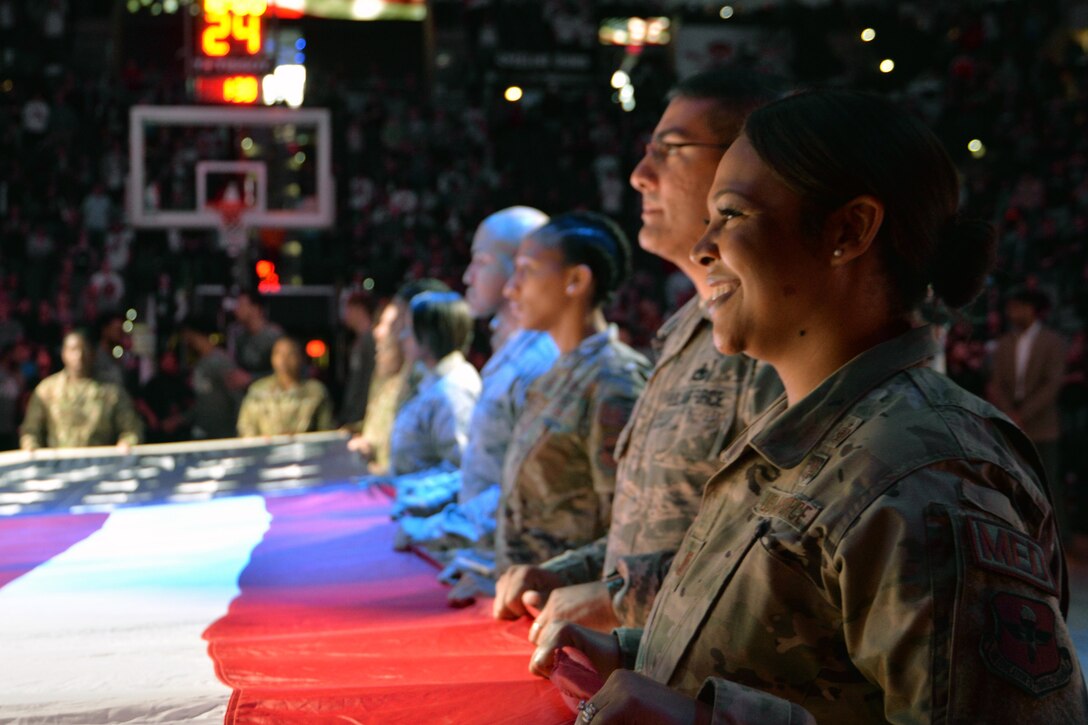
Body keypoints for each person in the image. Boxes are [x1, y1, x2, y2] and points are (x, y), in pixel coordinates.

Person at [531, 90, 1087, 722]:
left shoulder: (929, 473)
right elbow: (802, 660)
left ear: (847, 230)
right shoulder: (805, 432)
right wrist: (638, 654)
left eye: (732, 214)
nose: (704, 246)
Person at [493, 68, 784, 635]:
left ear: (747, 166)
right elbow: (651, 524)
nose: (639, 176)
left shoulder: (779, 335)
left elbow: (778, 552)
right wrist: (571, 574)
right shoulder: (682, 334)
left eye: (671, 151)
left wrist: (617, 596)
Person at [395, 206, 558, 549]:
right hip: (486, 552)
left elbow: (526, 488)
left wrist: (438, 529)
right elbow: (483, 473)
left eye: (481, 262)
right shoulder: (512, 353)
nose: (468, 276)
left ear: (519, 267)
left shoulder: (542, 362)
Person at [496, 212, 651, 573]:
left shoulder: (615, 381)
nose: (510, 288)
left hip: (572, 609)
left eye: (527, 270)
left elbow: (630, 531)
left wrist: (559, 578)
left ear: (576, 280)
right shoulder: (558, 372)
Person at [988, 287, 1068, 542]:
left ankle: (1059, 539)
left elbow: (1051, 385)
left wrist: (1024, 414)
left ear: (1031, 309)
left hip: (1042, 425)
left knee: (1048, 483)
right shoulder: (1004, 343)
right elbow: (997, 382)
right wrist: (1010, 413)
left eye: (1016, 307)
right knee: (1013, 483)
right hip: (1011, 423)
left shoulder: (1052, 342)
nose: (1011, 313)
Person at [346, 278, 449, 474]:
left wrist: (384, 476)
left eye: (396, 324)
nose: (381, 332)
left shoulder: (433, 385)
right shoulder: (393, 383)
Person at [386, 290, 481, 483]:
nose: (403, 337)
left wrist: (411, 492)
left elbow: (460, 470)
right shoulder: (433, 380)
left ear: (429, 335)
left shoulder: (455, 390)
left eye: (410, 329)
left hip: (429, 508)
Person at [19, 330, 142, 450]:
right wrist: (31, 448)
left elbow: (131, 428)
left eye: (84, 349)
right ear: (64, 353)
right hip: (59, 464)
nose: (79, 355)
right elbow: (30, 431)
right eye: (73, 350)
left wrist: (126, 443)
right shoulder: (46, 390)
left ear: (93, 353)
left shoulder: (112, 392)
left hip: (100, 465)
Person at [236, 336, 335, 437]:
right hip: (266, 450)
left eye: (290, 354)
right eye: (278, 354)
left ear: (300, 358)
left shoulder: (315, 391)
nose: (284, 359)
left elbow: (326, 430)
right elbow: (245, 427)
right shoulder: (258, 391)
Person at [181, 315, 249, 440]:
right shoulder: (201, 362)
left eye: (186, 334)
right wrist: (182, 418)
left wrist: (241, 432)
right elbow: (204, 400)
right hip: (204, 432)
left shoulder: (220, 362)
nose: (185, 339)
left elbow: (237, 397)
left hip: (223, 436)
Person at [338, 291, 377, 427]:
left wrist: (355, 416)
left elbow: (365, 381)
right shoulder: (360, 341)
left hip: (361, 417)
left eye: (347, 308)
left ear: (358, 309)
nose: (344, 314)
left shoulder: (370, 341)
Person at [229, 290, 284, 378]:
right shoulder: (240, 337)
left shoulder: (273, 337)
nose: (236, 310)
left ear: (255, 308)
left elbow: (284, 371)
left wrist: (251, 378)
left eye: (241, 305)